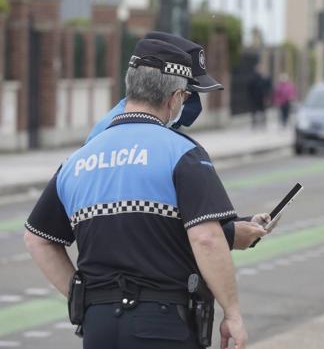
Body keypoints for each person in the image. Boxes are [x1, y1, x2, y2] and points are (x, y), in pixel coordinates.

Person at [24, 38, 263, 349]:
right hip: (163, 324)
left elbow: (37, 237)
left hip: (99, 327)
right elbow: (205, 238)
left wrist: (81, 295)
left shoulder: (77, 161)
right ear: (176, 97)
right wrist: (232, 312)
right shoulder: (183, 153)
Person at [86, 31, 269, 250]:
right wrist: (228, 235)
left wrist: (234, 228)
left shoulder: (149, 133)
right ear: (170, 91)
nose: (191, 102)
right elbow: (138, 221)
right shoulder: (118, 135)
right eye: (188, 93)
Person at [246, 64, 269, 129]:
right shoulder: (253, 78)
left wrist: (266, 96)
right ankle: (255, 123)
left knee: (262, 111)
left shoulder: (264, 78)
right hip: (255, 97)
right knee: (255, 111)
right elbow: (249, 88)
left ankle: (262, 123)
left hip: (260, 97)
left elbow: (267, 88)